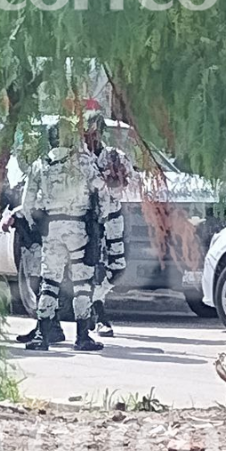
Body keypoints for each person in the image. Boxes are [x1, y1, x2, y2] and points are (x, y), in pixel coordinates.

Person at [20, 120, 104, 352]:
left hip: (52, 230)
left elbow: (27, 204)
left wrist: (38, 224)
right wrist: (101, 220)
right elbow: (102, 191)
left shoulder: (39, 165)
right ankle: (82, 336)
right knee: (82, 283)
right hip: (79, 229)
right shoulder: (84, 162)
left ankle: (42, 334)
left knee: (50, 281)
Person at [83, 104, 128, 337]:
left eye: (95, 131)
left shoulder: (114, 155)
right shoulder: (78, 159)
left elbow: (130, 181)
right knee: (89, 268)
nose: (91, 136)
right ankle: (99, 315)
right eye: (87, 132)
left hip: (112, 217)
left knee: (118, 268)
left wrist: (118, 177)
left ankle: (96, 299)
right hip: (89, 219)